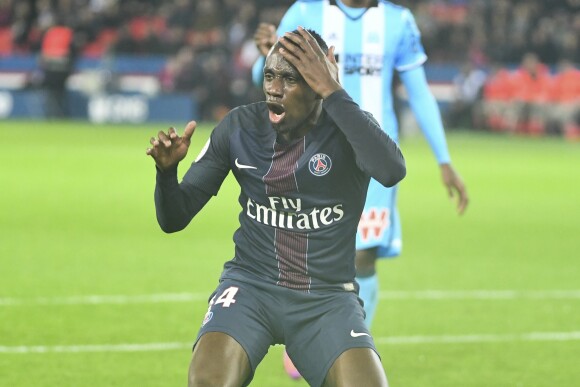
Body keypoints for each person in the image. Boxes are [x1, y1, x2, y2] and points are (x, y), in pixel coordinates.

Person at [146, 27, 405, 387]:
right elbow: (174, 218)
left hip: (325, 299)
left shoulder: (348, 129)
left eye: (289, 78)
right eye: (269, 75)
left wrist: (333, 91)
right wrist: (166, 173)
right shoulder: (239, 128)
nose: (274, 88)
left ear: (317, 84)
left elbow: (392, 171)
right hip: (251, 287)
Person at [251, 0, 469, 377]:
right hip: (314, 149)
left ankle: (349, 341)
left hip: (372, 150)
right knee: (311, 245)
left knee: (363, 254)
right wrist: (261, 56)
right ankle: (305, 334)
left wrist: (444, 159)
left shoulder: (398, 22)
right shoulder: (305, 12)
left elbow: (419, 92)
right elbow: (267, 74)